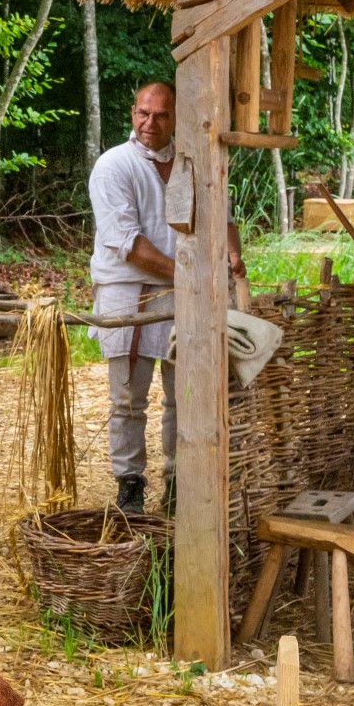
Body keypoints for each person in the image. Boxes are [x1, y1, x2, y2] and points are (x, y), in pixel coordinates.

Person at [87, 82, 243, 515]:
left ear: (177, 118)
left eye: (160, 116)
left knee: (184, 394)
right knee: (128, 398)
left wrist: (232, 255)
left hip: (184, 294)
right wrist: (193, 277)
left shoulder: (192, 163)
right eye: (142, 113)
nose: (149, 124)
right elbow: (127, 243)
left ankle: (178, 483)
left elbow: (222, 216)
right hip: (129, 293)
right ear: (132, 112)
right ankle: (130, 484)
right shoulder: (113, 166)